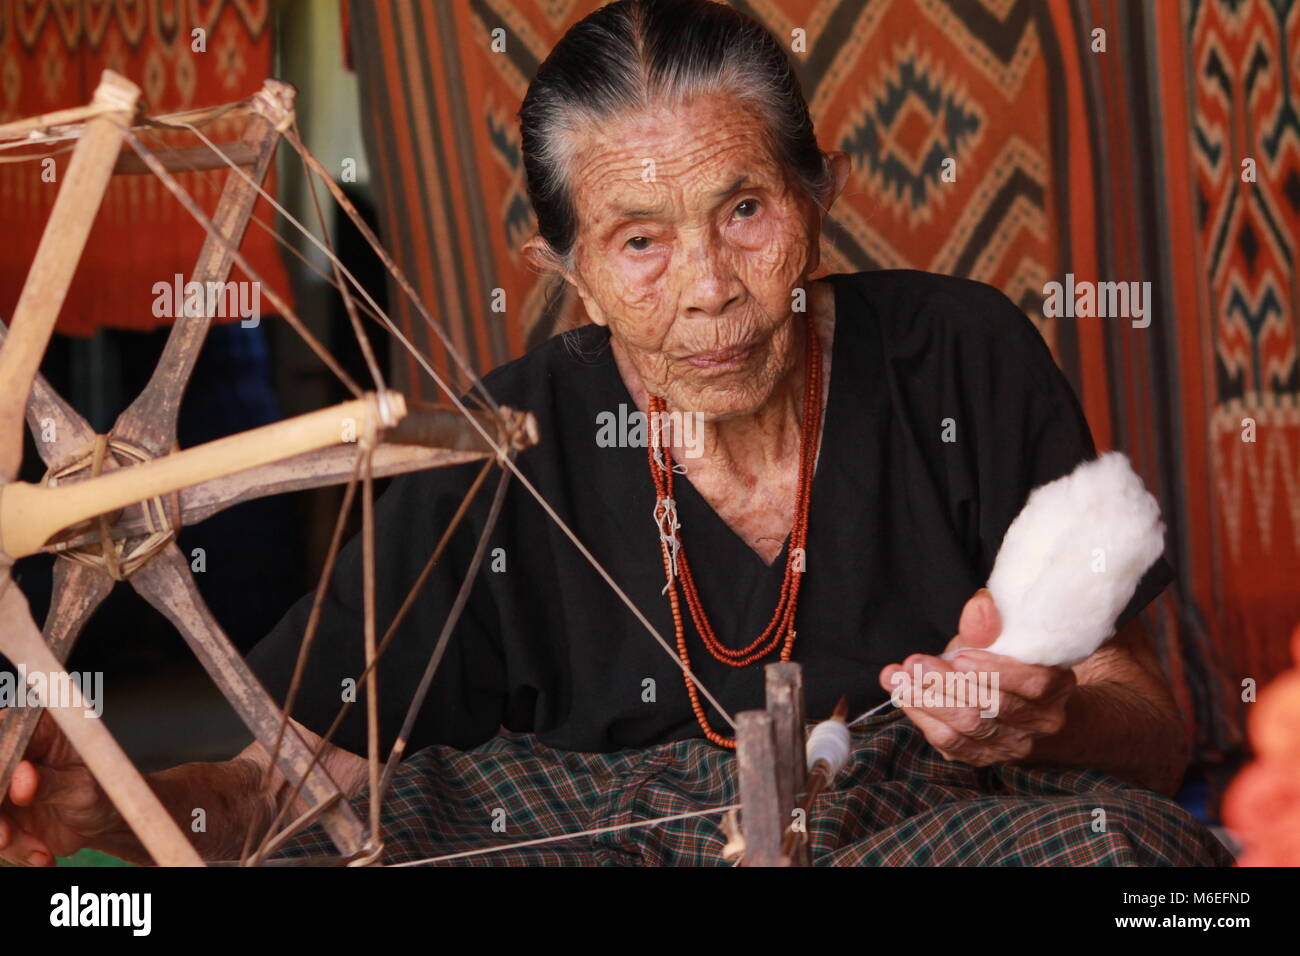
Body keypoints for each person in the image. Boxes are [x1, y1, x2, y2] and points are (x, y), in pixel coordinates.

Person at [0, 0, 1230, 866]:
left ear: (820, 195)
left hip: (913, 818)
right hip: (594, 830)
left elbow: (1153, 718)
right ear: (567, 269)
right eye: (639, 240)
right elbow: (279, 790)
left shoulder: (960, 352)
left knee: (1129, 850)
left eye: (745, 209)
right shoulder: (493, 449)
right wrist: (108, 809)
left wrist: (1052, 712)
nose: (707, 286)